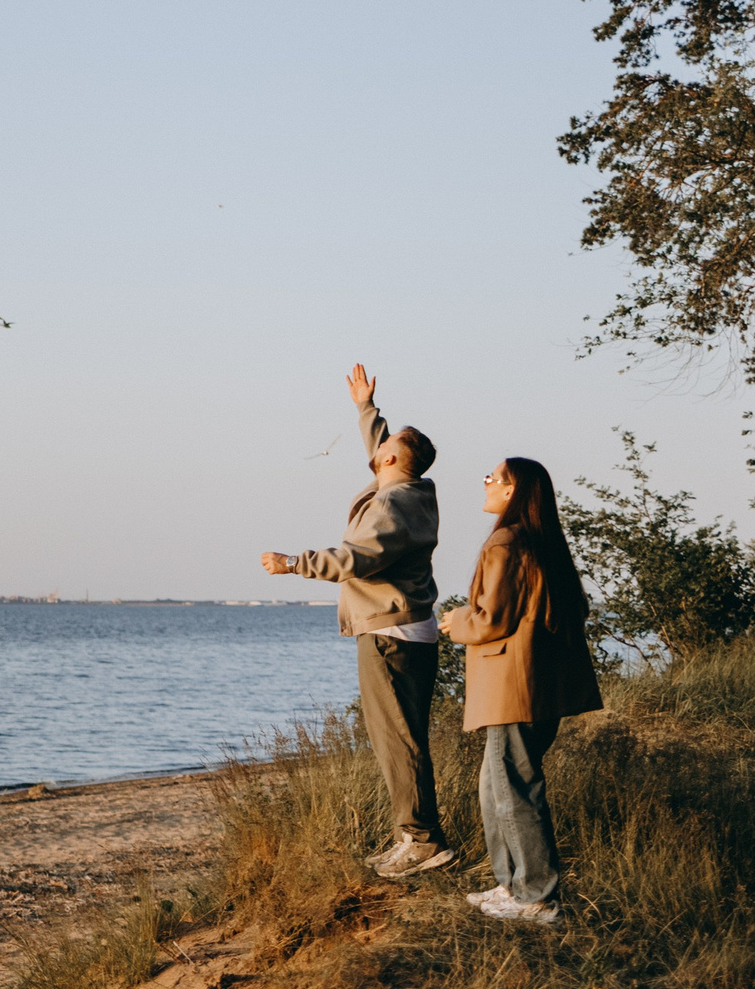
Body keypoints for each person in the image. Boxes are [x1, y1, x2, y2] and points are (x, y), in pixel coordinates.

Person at [258, 365, 451, 877]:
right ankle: (410, 834)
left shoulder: (392, 504)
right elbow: (386, 448)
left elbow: (355, 559)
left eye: (385, 445)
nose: (378, 447)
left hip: (389, 633)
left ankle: (423, 841)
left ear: (389, 459)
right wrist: (366, 409)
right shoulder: (412, 491)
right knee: (399, 737)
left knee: (397, 740)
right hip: (405, 627)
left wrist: (293, 563)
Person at [439, 457, 602, 925]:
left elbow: (492, 619)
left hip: (513, 685)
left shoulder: (505, 543)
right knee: (497, 787)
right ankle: (512, 884)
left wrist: (455, 622)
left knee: (511, 790)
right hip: (536, 685)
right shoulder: (542, 542)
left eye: (493, 477)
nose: (486, 482)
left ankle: (535, 896)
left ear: (513, 491)